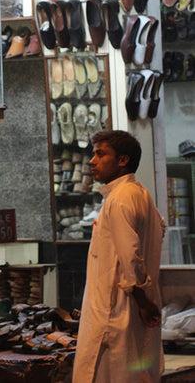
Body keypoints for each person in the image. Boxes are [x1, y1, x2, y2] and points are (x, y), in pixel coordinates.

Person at [72, 130, 165, 383]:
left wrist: (143, 302)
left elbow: (130, 258)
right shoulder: (138, 194)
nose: (92, 161)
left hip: (115, 313)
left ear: (122, 160)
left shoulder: (122, 199)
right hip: (123, 311)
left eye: (101, 154)